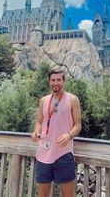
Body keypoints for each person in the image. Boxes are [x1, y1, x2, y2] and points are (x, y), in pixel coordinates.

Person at [31, 69, 81, 197]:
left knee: (69, 194)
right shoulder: (43, 100)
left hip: (63, 153)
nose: (56, 82)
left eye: (59, 80)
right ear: (49, 82)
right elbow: (39, 122)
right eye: (53, 80)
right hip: (43, 153)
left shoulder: (73, 99)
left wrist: (69, 135)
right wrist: (36, 131)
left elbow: (78, 125)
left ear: (63, 81)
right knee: (42, 195)